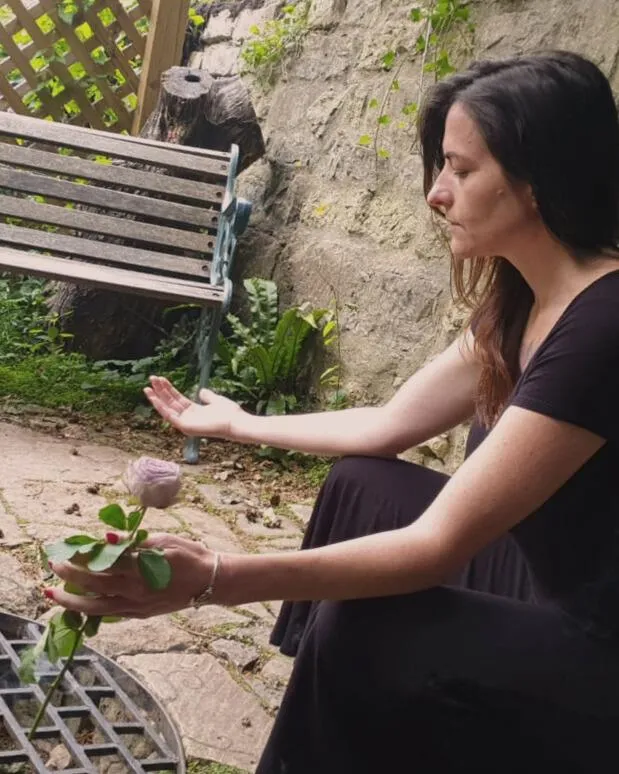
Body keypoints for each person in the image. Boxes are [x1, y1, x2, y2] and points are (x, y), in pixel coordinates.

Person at [48, 50, 619, 771]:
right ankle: (334, 714)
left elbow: (437, 546)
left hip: (597, 654)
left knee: (367, 624)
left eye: (461, 170)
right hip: (546, 585)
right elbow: (384, 425)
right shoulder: (520, 303)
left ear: (537, 179)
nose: (435, 194)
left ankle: (336, 711)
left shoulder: (602, 324)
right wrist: (231, 423)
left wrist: (215, 577)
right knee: (364, 482)